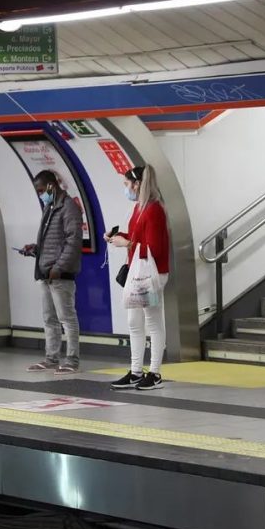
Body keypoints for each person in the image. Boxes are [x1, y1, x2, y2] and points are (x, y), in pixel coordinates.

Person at [107, 165, 170, 391]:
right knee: (134, 323)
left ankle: (154, 372)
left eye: (127, 184)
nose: (126, 189)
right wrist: (119, 237)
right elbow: (136, 237)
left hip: (152, 273)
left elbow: (157, 248)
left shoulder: (154, 210)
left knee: (153, 321)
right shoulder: (139, 208)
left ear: (137, 184)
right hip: (137, 272)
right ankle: (135, 371)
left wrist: (129, 244)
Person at [20, 170, 83, 375]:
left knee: (67, 318)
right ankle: (51, 358)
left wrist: (59, 267)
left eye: (41, 190)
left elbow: (73, 242)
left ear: (50, 186)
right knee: (49, 319)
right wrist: (35, 249)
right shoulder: (49, 207)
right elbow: (51, 243)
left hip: (59, 274)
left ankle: (71, 360)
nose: (40, 194)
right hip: (46, 272)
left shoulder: (69, 207)